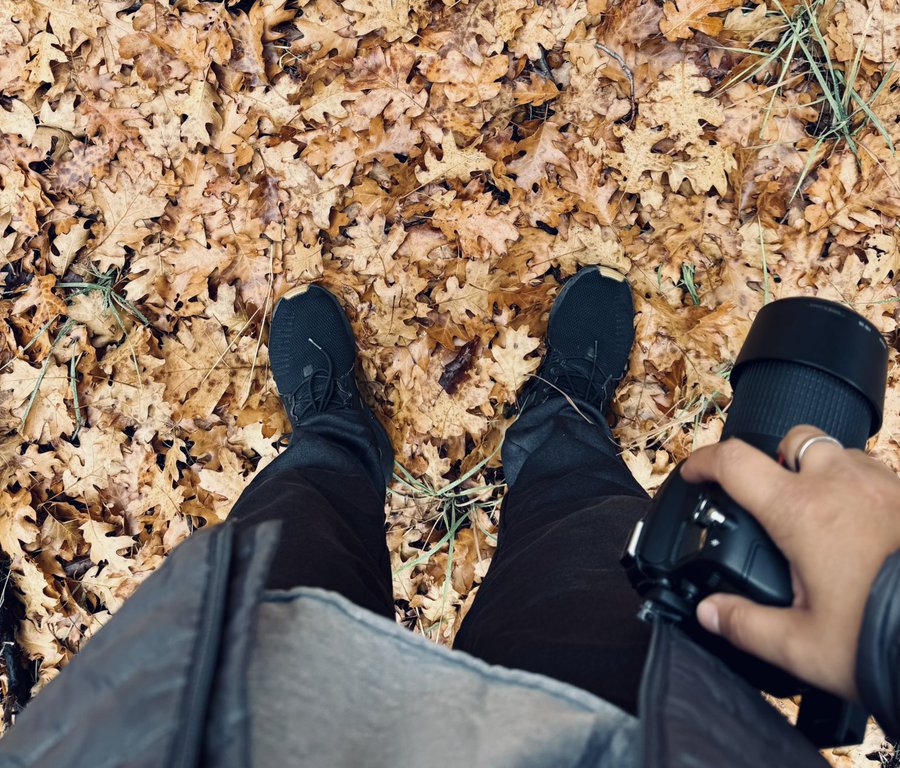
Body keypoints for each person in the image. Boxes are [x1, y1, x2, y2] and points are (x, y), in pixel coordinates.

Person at [2, 266, 899, 768]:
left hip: (222, 724)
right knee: (587, 522)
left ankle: (337, 435)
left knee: (298, 511)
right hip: (623, 731)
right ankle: (561, 419)